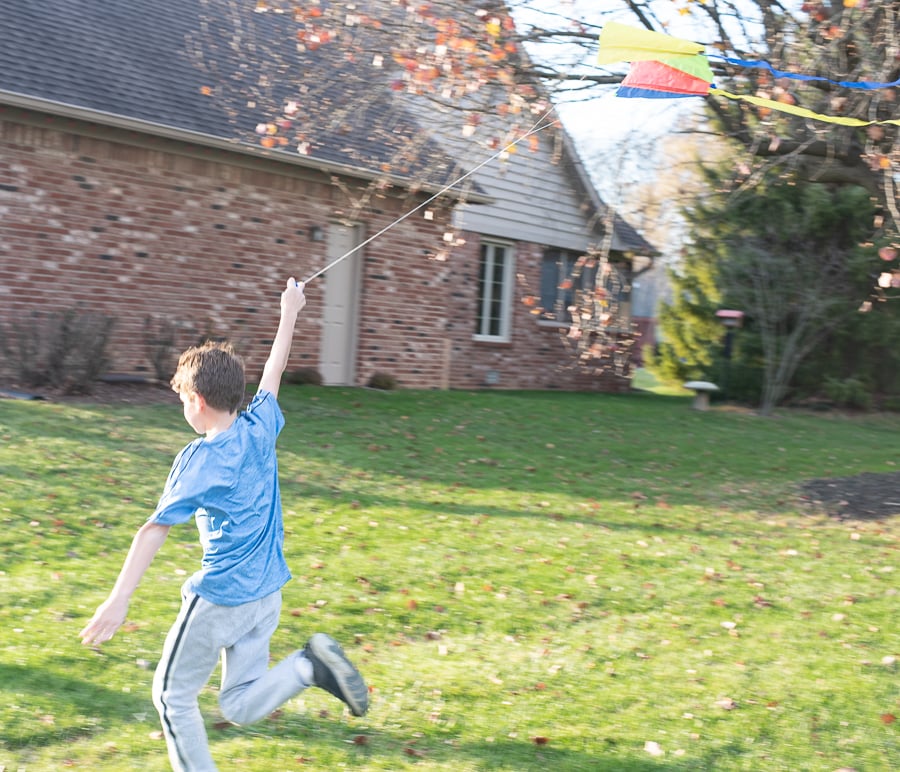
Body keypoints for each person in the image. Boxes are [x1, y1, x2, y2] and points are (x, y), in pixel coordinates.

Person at [79, 278, 368, 771]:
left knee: (172, 697)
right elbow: (273, 372)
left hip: (223, 597)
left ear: (196, 400)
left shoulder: (201, 459)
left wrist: (119, 598)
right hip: (266, 595)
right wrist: (290, 312)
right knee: (237, 704)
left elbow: (155, 528)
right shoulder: (261, 424)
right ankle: (307, 666)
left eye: (181, 400)